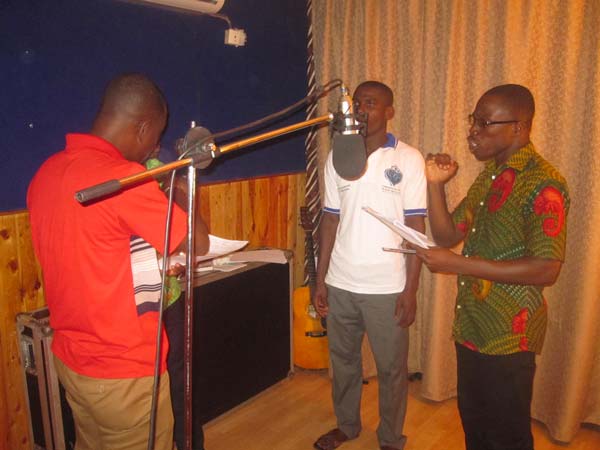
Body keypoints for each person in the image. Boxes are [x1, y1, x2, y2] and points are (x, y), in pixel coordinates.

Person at [27, 73, 209, 450]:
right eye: (155, 135)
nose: (154, 146)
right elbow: (198, 242)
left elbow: (100, 251)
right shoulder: (124, 179)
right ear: (142, 127)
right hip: (123, 373)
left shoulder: (47, 172)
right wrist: (179, 185)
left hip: (72, 361)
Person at [415, 84, 569, 450]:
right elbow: (447, 235)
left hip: (509, 334)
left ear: (518, 127)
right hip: (472, 325)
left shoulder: (543, 182)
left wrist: (460, 264)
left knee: (508, 435)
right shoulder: (490, 177)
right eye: (474, 121)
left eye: (485, 123)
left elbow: (547, 268)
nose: (473, 131)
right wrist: (435, 186)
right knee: (476, 424)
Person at [313, 81, 427, 450]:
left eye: (371, 103)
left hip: (387, 287)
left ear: (389, 112)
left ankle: (391, 438)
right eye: (358, 102)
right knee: (344, 363)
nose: (362, 109)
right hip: (341, 282)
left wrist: (411, 289)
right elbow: (330, 219)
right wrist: (320, 279)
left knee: (392, 370)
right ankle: (347, 426)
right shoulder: (338, 157)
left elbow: (416, 225)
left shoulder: (408, 159)